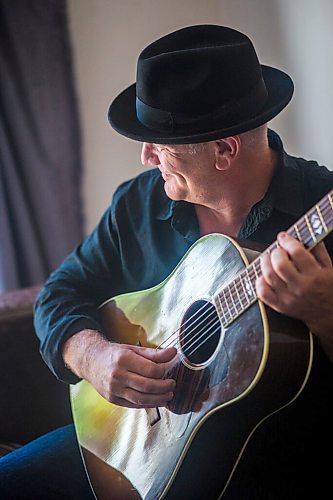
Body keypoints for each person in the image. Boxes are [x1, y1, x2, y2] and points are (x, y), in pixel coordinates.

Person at [0, 24, 332, 500]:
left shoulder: (319, 209)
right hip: (122, 448)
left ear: (224, 149)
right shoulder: (139, 204)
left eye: (162, 146)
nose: (145, 157)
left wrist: (325, 310)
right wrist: (92, 356)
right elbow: (59, 293)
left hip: (268, 457)